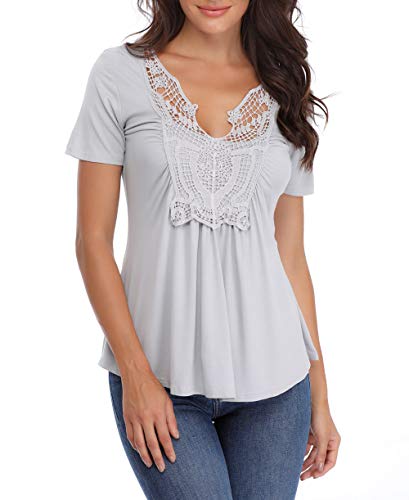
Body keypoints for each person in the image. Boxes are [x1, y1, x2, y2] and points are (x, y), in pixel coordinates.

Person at [65, 1, 341, 498]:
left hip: (277, 388)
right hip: (157, 378)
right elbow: (92, 242)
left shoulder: (284, 87)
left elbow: (291, 257)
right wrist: (136, 375)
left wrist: (320, 395)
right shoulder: (119, 75)